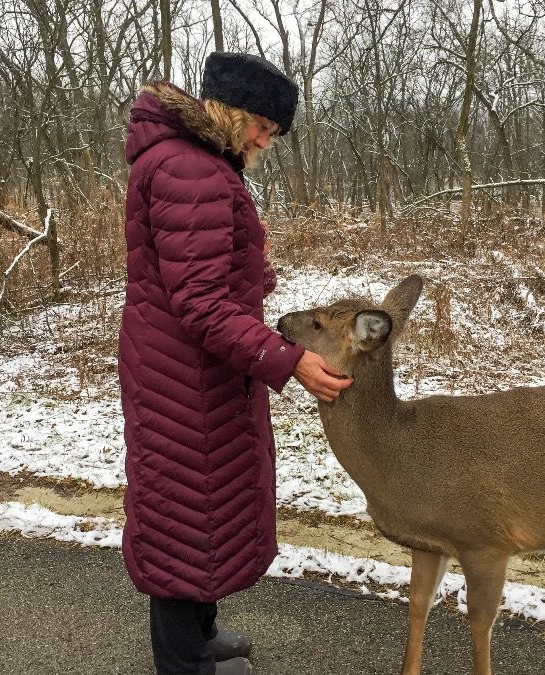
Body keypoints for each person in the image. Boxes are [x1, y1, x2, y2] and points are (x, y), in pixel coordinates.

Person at [118, 52, 352, 675]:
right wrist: (288, 360)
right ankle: (184, 662)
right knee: (179, 510)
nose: (264, 141)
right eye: (263, 126)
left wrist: (255, 266)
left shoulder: (203, 165)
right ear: (230, 111)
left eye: (272, 133)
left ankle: (202, 633)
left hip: (204, 367)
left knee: (209, 502)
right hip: (181, 372)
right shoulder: (185, 167)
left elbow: (200, 273)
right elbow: (197, 302)